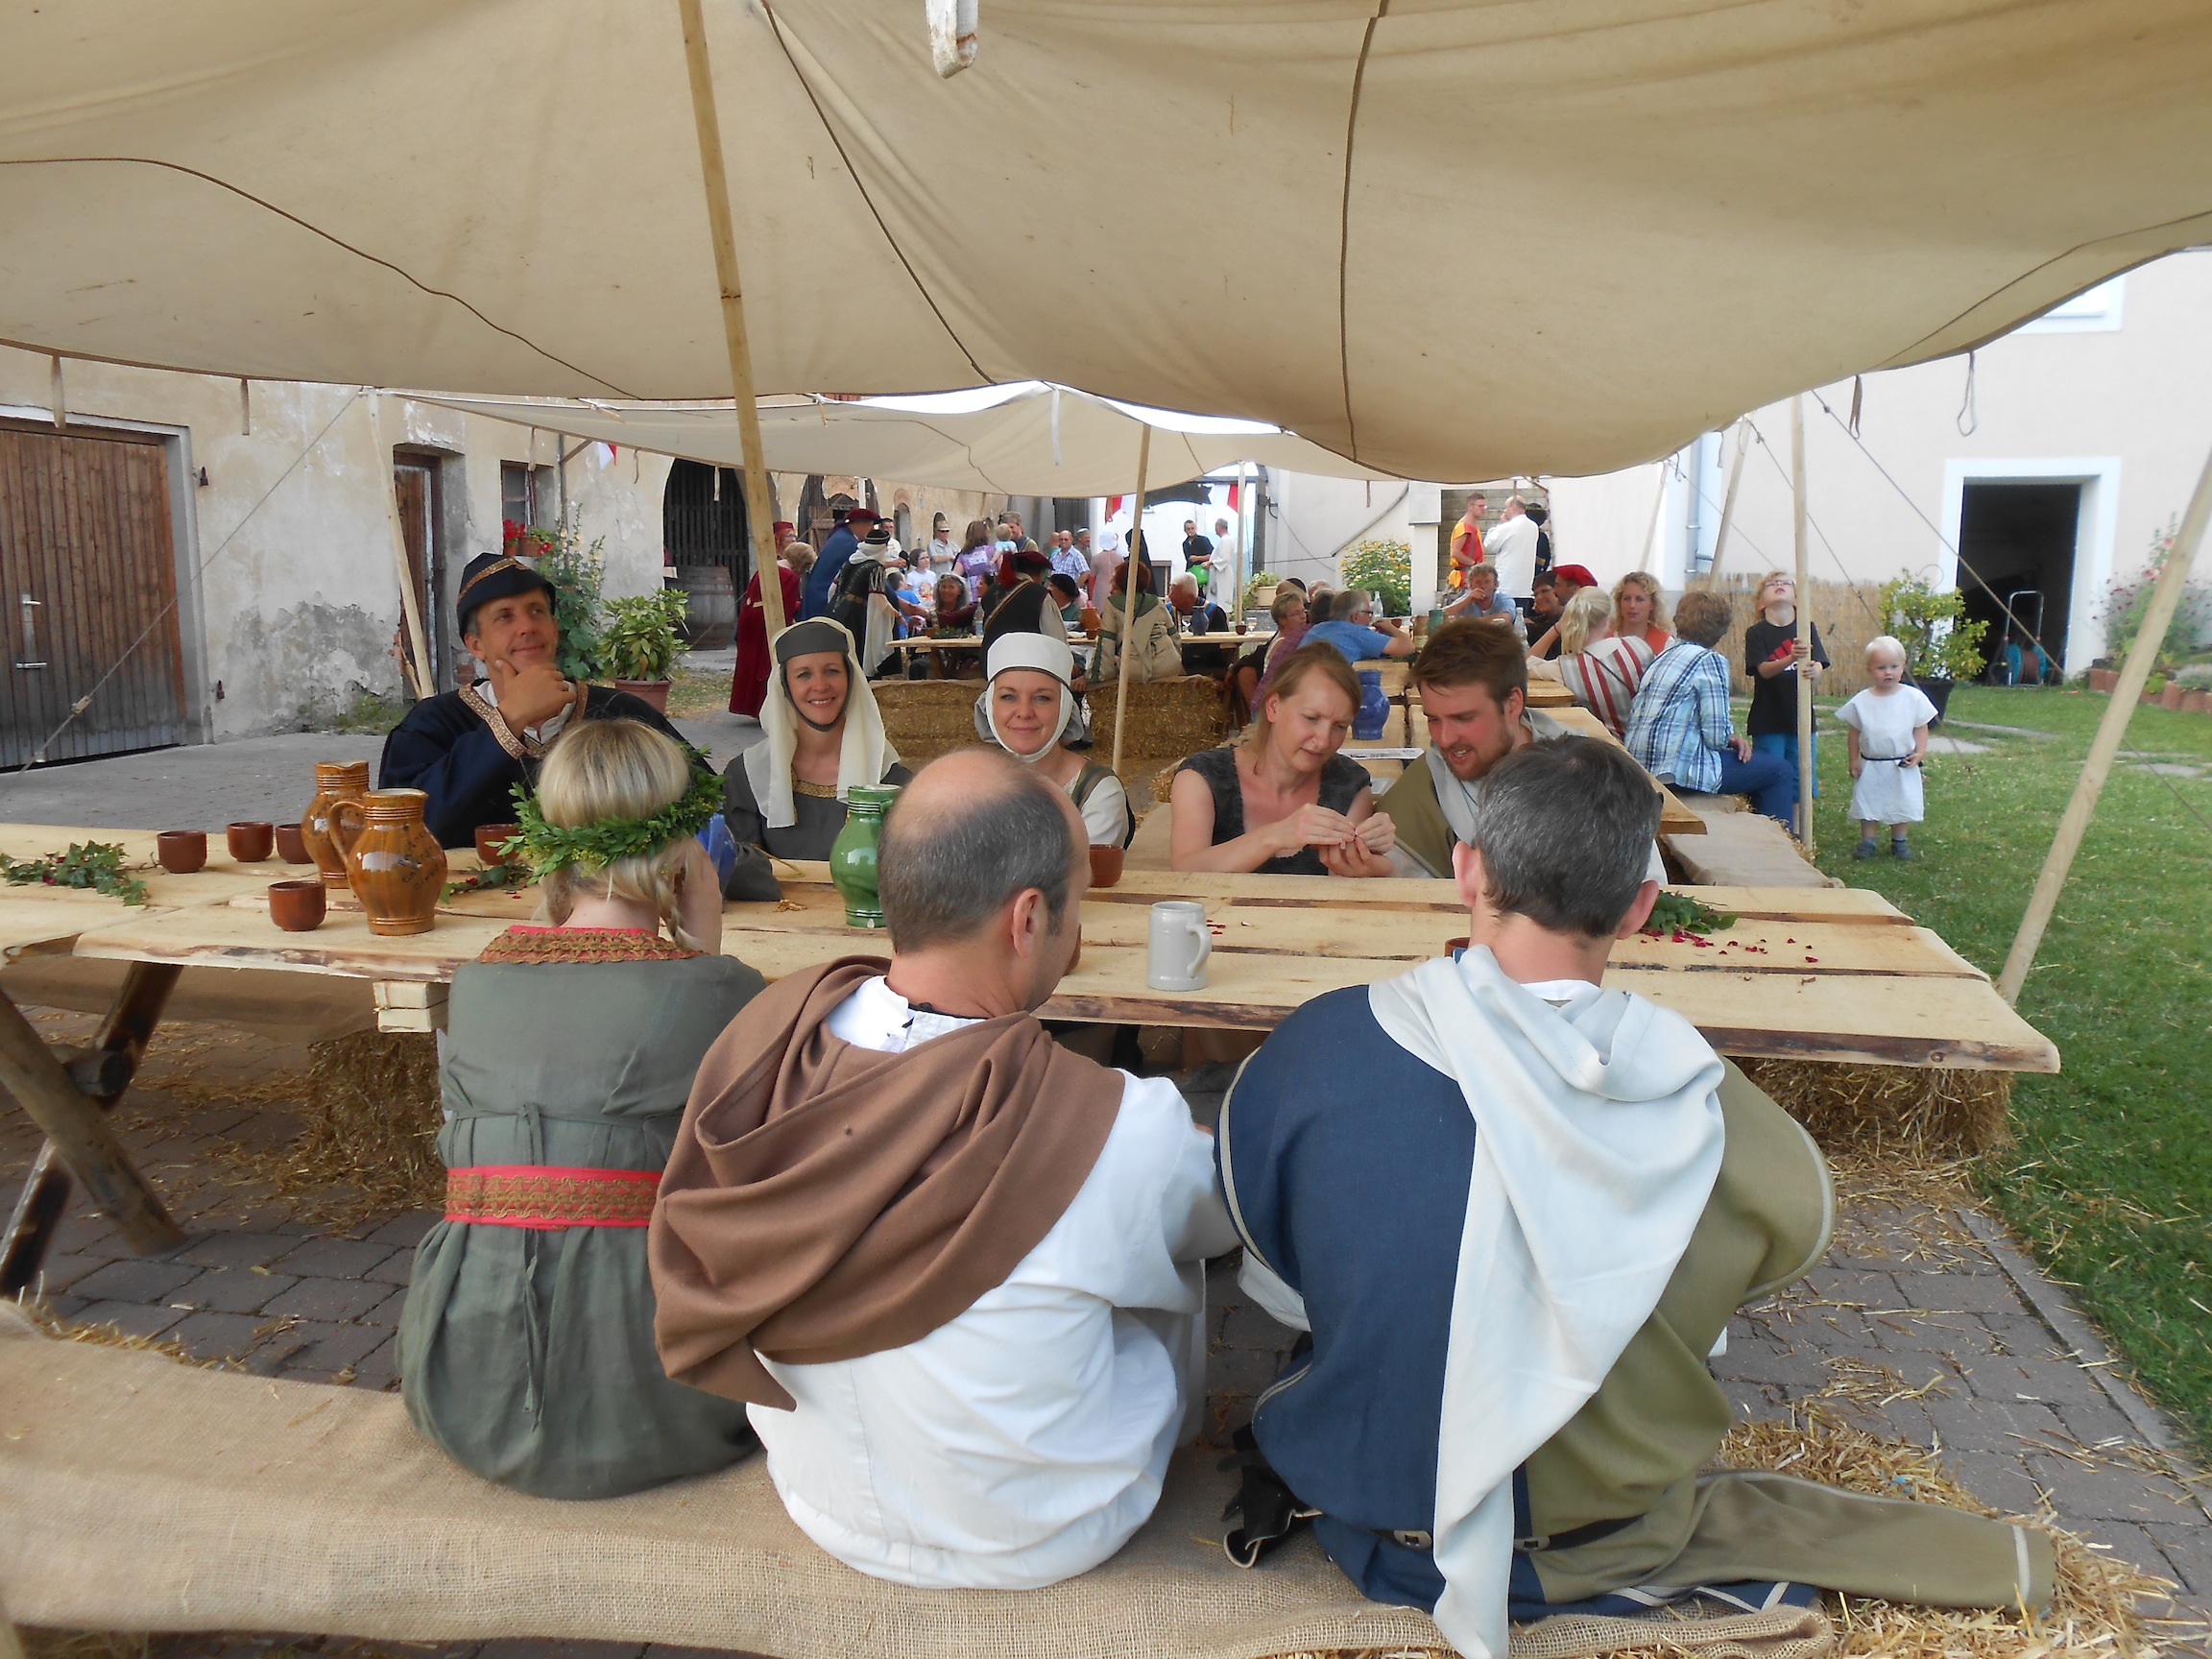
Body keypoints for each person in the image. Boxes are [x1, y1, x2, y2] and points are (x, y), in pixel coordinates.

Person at [1213, 737, 2055, 1652]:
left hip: (1378, 1516)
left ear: (1466, 870)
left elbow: (1278, 1270)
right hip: (1605, 1537)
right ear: (1642, 906)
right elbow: (1780, 1238)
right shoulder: (1714, 1108)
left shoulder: (1307, 1055)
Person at [650, 750, 1237, 1588]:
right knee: (1157, 1243)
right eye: (1076, 905)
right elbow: (1217, 1220)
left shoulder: (764, 1039)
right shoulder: (1116, 1121)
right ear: (1027, 918)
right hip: (1051, 1529)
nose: (1078, 933)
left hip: (820, 1497)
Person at [399, 717, 761, 1499]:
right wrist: (703, 936)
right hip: (655, 1401)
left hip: (465, 1382)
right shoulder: (718, 988)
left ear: (552, 839)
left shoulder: (478, 983)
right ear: (683, 848)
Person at [380, 550, 687, 848]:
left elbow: (699, 808)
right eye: (505, 617)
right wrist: (509, 719)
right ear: (475, 645)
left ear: (554, 629)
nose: (527, 627)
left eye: (537, 611)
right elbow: (402, 832)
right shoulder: (433, 724)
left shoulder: (619, 711)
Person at [719, 617, 911, 901]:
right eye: (804, 675)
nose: (820, 685)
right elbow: (736, 877)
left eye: (832, 671)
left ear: (851, 678)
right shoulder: (746, 777)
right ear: (785, 686)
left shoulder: (892, 780)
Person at [1378, 619, 1580, 880]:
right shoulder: (1422, 788)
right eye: (1434, 719)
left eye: (1463, 718)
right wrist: (1379, 870)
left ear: (1512, 704)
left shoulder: (1587, 777)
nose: (1444, 739)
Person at [1170, 643, 1394, 877]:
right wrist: (1276, 835)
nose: (1323, 741)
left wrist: (1380, 860)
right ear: (1273, 707)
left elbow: (1350, 880)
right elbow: (1184, 870)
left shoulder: (1350, 785)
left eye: (1340, 726)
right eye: (1311, 718)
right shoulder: (1203, 777)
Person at [1624, 589, 1794, 823]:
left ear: (1678, 620)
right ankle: (1775, 841)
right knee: (1779, 771)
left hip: (1641, 765)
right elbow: (1715, 737)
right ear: (1721, 630)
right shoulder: (1709, 660)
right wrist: (1729, 738)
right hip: (1676, 771)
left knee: (1761, 768)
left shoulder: (1663, 655)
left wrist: (1729, 739)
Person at [974, 634, 1132, 880]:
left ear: (1065, 706)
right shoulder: (967, 785)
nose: (1024, 712)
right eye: (1008, 697)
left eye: (1042, 698)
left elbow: (1073, 881)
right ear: (990, 705)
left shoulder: (1096, 791)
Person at [1838, 635, 1937, 861]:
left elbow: (1921, 726)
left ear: (1903, 666)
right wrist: (1853, 760)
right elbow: (1854, 732)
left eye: (1894, 666)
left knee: (1900, 801)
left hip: (1901, 762)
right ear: (1869, 669)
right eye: (1881, 667)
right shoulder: (1862, 701)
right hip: (1871, 762)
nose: (1888, 672)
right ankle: (1868, 840)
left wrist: (1920, 752)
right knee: (1869, 801)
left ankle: (1899, 840)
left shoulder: (1913, 698)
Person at [1743, 571, 1829, 820]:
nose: (1779, 585)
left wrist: (1815, 669)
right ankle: (1772, 826)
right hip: (1768, 719)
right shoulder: (1756, 632)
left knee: (1800, 778)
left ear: (1796, 598)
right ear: (1761, 602)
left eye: (1786, 583)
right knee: (1770, 775)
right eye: (1772, 584)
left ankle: (1798, 831)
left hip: (1800, 718)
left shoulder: (1806, 628)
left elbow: (1819, 663)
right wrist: (1791, 657)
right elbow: (1763, 670)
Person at [1534, 586, 1655, 738]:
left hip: (1607, 747)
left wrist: (1557, 629)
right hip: (1647, 741)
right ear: (1608, 618)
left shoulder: (1563, 668)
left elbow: (1525, 665)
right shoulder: (1638, 646)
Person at [828, 519, 926, 676]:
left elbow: (832, 589)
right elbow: (878, 599)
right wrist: (897, 615)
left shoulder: (850, 562)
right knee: (858, 656)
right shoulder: (876, 567)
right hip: (856, 616)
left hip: (836, 610)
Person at [729, 541, 807, 718]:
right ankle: (762, 707)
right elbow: (785, 606)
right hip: (765, 621)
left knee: (749, 661)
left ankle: (747, 704)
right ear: (801, 563)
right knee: (765, 661)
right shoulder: (790, 576)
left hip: (750, 617)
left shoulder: (767, 568)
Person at [1092, 554, 1184, 685]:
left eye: (1114, 585)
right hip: (1169, 665)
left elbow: (1105, 644)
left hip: (1133, 669)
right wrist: (1177, 660)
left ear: (1122, 584)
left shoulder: (1112, 604)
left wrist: (1095, 676)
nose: (1111, 590)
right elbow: (1175, 637)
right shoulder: (1157, 602)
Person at [1232, 586, 1310, 722]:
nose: (1303, 617)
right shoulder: (1283, 644)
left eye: (1303, 611)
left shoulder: (1289, 639)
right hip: (1272, 710)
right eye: (1296, 614)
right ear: (1282, 620)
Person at [981, 546, 1070, 654]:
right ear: (1041, 573)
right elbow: (1056, 640)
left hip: (990, 660)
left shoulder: (991, 591)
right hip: (1026, 661)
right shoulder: (1040, 594)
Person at [1301, 589, 1419, 665]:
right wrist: (1390, 627)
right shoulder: (1356, 632)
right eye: (1369, 613)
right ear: (1356, 616)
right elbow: (1408, 648)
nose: (1370, 618)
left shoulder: (1317, 629)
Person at [802, 506, 871, 619]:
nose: (871, 529)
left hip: (817, 592)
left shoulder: (842, 536)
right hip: (824, 595)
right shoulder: (848, 542)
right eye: (870, 525)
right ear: (859, 524)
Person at [1440, 561, 1524, 636]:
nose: (1483, 586)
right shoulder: (1466, 599)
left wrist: (1467, 623)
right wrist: (1466, 601)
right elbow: (1439, 616)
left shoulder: (1505, 600)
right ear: (1470, 585)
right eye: (1478, 582)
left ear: (1495, 584)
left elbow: (1505, 619)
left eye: (1487, 582)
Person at [1481, 494, 1540, 599]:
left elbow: (1489, 545)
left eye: (1506, 507)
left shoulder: (1508, 527)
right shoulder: (1533, 526)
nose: (1504, 511)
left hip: (1506, 585)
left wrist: (1500, 525)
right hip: (1525, 587)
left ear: (1513, 508)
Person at [1612, 571, 1674, 653]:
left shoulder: (1665, 643)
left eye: (1640, 600)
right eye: (1627, 599)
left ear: (1653, 604)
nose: (1632, 605)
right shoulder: (1605, 636)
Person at [1447, 494, 1486, 591]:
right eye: (1480, 506)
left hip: (1471, 575)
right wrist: (1474, 564)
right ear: (1470, 506)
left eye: (1484, 506)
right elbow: (1455, 552)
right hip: (1464, 578)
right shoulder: (1463, 526)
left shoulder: (1473, 526)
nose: (1483, 509)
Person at [953, 517, 998, 596]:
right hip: (992, 591)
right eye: (988, 532)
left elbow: (955, 577)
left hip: (973, 594)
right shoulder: (993, 551)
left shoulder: (964, 555)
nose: (990, 535)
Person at [1525, 572, 1565, 660]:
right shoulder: (1548, 616)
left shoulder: (1568, 617)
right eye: (1536, 594)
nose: (1539, 597)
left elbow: (1541, 629)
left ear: (1557, 590)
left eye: (1545, 591)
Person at [1182, 517, 1214, 593]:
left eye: (1192, 528)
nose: (1191, 531)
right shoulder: (1185, 544)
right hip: (1191, 573)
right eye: (1188, 529)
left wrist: (1198, 558)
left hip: (1203, 572)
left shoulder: (1203, 540)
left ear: (1195, 528)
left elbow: (1212, 555)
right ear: (1185, 530)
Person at [925, 513, 957, 579]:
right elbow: (936, 559)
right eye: (942, 531)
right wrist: (950, 557)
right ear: (937, 532)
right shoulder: (932, 545)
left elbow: (959, 557)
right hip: (938, 577)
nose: (945, 533)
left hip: (951, 576)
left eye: (947, 531)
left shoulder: (952, 545)